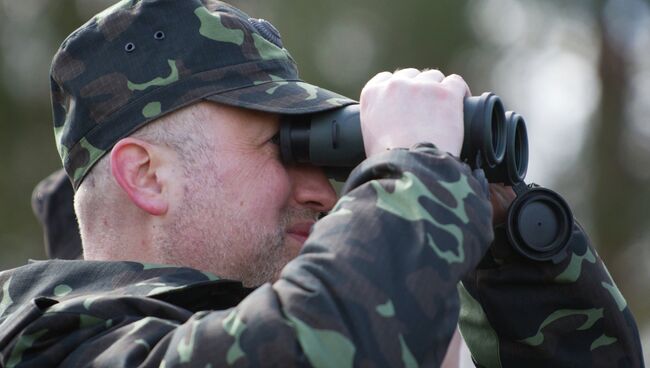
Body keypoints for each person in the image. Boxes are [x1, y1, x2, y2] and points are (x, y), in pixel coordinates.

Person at [0, 1, 644, 367]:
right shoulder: (55, 345)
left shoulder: (313, 316)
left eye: (325, 150)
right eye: (282, 147)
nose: (324, 191)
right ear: (147, 174)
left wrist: (509, 253)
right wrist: (415, 168)